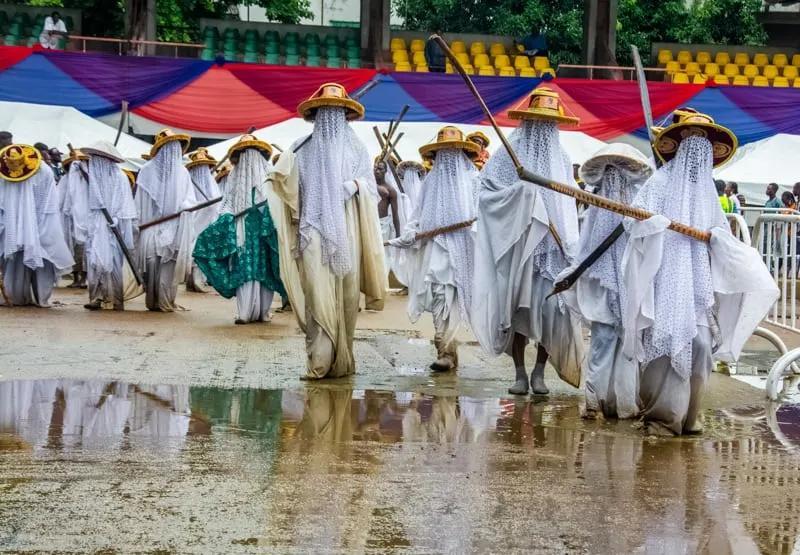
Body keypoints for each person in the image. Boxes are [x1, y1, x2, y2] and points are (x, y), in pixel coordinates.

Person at [623, 109, 778, 435]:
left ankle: (690, 414)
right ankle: (661, 416)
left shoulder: (708, 191)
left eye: (703, 149)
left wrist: (716, 238)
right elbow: (631, 221)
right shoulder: (659, 182)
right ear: (679, 149)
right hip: (664, 277)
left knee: (701, 347)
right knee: (664, 343)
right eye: (692, 147)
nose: (697, 156)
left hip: (697, 281)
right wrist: (655, 224)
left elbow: (720, 232)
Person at [270, 83, 387, 379]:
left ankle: (342, 359)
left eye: (337, 112)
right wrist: (279, 176)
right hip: (312, 227)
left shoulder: (357, 148)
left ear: (345, 116)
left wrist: (356, 186)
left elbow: (371, 189)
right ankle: (319, 360)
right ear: (317, 115)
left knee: (347, 294)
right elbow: (287, 186)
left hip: (348, 228)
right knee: (315, 292)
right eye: (325, 112)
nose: (331, 118)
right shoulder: (301, 148)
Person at [471, 87, 584, 395]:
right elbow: (487, 191)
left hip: (553, 246)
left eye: (549, 123)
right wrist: (521, 194)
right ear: (528, 120)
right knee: (518, 311)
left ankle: (539, 372)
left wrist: (569, 243)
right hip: (519, 244)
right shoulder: (510, 151)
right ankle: (520, 373)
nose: (543, 127)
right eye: (538, 121)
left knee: (551, 313)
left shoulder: (561, 157)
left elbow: (567, 203)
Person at [560, 143, 653, 419]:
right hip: (603, 285)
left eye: (619, 174)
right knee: (605, 341)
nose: (615, 181)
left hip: (627, 286)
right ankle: (595, 400)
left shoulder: (638, 208)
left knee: (625, 343)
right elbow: (586, 246)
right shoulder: (596, 207)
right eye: (610, 174)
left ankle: (618, 401)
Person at [389, 126, 480, 372]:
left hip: (464, 248)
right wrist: (410, 233)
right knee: (440, 294)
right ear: (436, 156)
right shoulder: (430, 182)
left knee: (455, 299)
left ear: (462, 154)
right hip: (435, 248)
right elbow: (418, 215)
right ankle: (444, 349)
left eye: (453, 153)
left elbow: (483, 215)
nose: (448, 158)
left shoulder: (473, 181)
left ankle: (448, 351)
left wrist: (475, 227)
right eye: (443, 153)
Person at [193, 135, 285, 325]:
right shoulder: (235, 176)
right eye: (245, 154)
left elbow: (277, 202)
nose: (249, 159)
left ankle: (261, 312)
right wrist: (226, 217)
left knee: (263, 269)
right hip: (242, 229)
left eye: (253, 153)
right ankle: (246, 312)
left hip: (263, 232)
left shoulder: (269, 176)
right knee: (246, 267)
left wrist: (266, 209)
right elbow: (228, 203)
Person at [0, 144, 73, 306]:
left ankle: (41, 297)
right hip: (13, 224)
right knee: (15, 262)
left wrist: (38, 225)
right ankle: (15, 296)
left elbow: (48, 200)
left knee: (42, 260)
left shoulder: (44, 171)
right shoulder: (3, 173)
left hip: (41, 220)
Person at [135, 129, 196, 312]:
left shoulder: (182, 173)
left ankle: (163, 301)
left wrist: (184, 208)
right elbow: (140, 203)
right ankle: (159, 302)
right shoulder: (147, 171)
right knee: (155, 268)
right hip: (153, 228)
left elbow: (189, 200)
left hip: (168, 227)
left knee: (165, 268)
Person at [81, 141, 138, 311]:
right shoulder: (91, 179)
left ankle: (116, 299)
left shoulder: (119, 177)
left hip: (114, 226)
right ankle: (97, 297)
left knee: (113, 264)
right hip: (96, 225)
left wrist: (117, 219)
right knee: (94, 262)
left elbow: (125, 203)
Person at [184, 148, 221, 293]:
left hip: (206, 221)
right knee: (193, 248)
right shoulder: (188, 183)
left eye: (204, 167)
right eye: (198, 167)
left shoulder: (211, 184)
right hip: (193, 220)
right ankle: (192, 281)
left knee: (201, 250)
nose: (201, 170)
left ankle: (199, 281)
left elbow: (216, 206)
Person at [59, 148, 90, 289]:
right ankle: (75, 278)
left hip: (86, 221)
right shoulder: (65, 180)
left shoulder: (89, 179)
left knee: (84, 250)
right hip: (70, 221)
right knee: (71, 250)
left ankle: (84, 278)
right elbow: (60, 200)